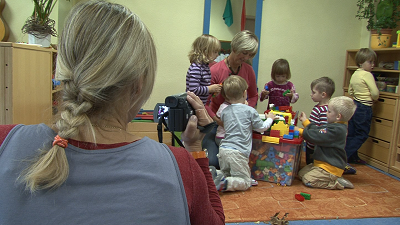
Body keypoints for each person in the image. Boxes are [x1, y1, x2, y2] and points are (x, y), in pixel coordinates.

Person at [0, 1, 224, 225]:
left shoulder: (5, 141)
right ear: (139, 83)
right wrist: (196, 151)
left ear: (62, 67)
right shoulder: (181, 167)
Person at [204, 30, 260, 169]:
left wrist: (246, 111)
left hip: (239, 126)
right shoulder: (215, 70)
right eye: (244, 52)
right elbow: (204, 103)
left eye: (250, 54)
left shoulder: (248, 70)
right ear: (235, 48)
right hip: (218, 124)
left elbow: (253, 96)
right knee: (213, 162)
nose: (246, 57)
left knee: (240, 161)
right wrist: (218, 121)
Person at [213, 75, 277, 192]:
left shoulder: (225, 111)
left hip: (223, 150)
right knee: (246, 182)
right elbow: (261, 128)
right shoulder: (250, 111)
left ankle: (213, 174)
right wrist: (270, 118)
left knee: (226, 173)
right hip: (238, 152)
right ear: (244, 93)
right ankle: (225, 184)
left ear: (226, 95)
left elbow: (235, 116)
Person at [297, 96, 357, 190]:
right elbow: (319, 130)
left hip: (330, 167)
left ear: (338, 116)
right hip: (320, 164)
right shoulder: (335, 125)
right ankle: (327, 177)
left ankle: (337, 182)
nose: (326, 113)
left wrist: (300, 131)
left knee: (308, 180)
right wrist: (306, 122)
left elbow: (318, 136)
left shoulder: (337, 130)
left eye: (329, 111)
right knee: (301, 174)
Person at [345, 48, 379, 170]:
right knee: (362, 134)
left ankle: (352, 157)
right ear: (361, 63)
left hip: (355, 105)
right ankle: (344, 157)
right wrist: (374, 97)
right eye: (370, 62)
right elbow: (375, 92)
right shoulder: (367, 74)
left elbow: (350, 91)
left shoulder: (355, 74)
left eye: (373, 62)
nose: (373, 65)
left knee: (352, 133)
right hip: (364, 107)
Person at [305, 77, 335, 165]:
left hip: (315, 147)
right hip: (312, 143)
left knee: (313, 166)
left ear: (323, 95)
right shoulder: (320, 107)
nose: (311, 94)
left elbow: (322, 130)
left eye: (313, 92)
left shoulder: (324, 110)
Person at [186, 34, 222, 105]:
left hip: (199, 105)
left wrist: (212, 92)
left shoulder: (205, 67)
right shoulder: (196, 68)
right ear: (205, 51)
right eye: (215, 52)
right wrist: (210, 89)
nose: (217, 55)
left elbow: (202, 88)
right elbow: (193, 90)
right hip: (192, 106)